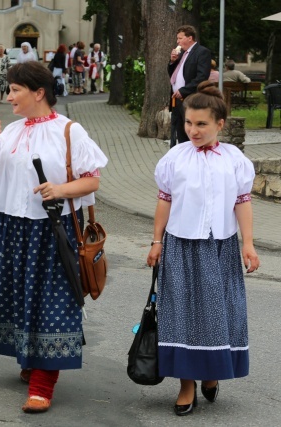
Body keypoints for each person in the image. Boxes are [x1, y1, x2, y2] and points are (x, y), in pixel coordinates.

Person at [0, 62, 107, 413]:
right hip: (9, 227)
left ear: (39, 93)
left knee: (53, 300)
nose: (9, 96)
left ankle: (42, 383)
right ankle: (30, 357)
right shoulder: (10, 132)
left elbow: (92, 180)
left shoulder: (70, 131)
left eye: (15, 89)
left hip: (52, 229)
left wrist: (61, 189)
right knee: (14, 293)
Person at [146, 81, 258, 417]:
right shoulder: (174, 158)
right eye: (188, 123)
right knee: (180, 313)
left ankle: (211, 371)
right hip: (180, 245)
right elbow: (164, 201)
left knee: (216, 313)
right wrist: (156, 241)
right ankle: (186, 384)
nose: (192, 130)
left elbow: (243, 202)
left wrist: (248, 244)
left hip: (220, 247)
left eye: (201, 124)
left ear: (219, 125)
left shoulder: (235, 160)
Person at [168, 25, 211, 147]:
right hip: (176, 99)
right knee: (179, 131)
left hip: (189, 98)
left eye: (180, 38)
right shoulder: (182, 53)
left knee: (189, 132)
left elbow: (202, 77)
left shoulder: (201, 52)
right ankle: (183, 157)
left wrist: (184, 90)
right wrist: (172, 61)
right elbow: (173, 76)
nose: (178, 41)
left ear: (190, 38)